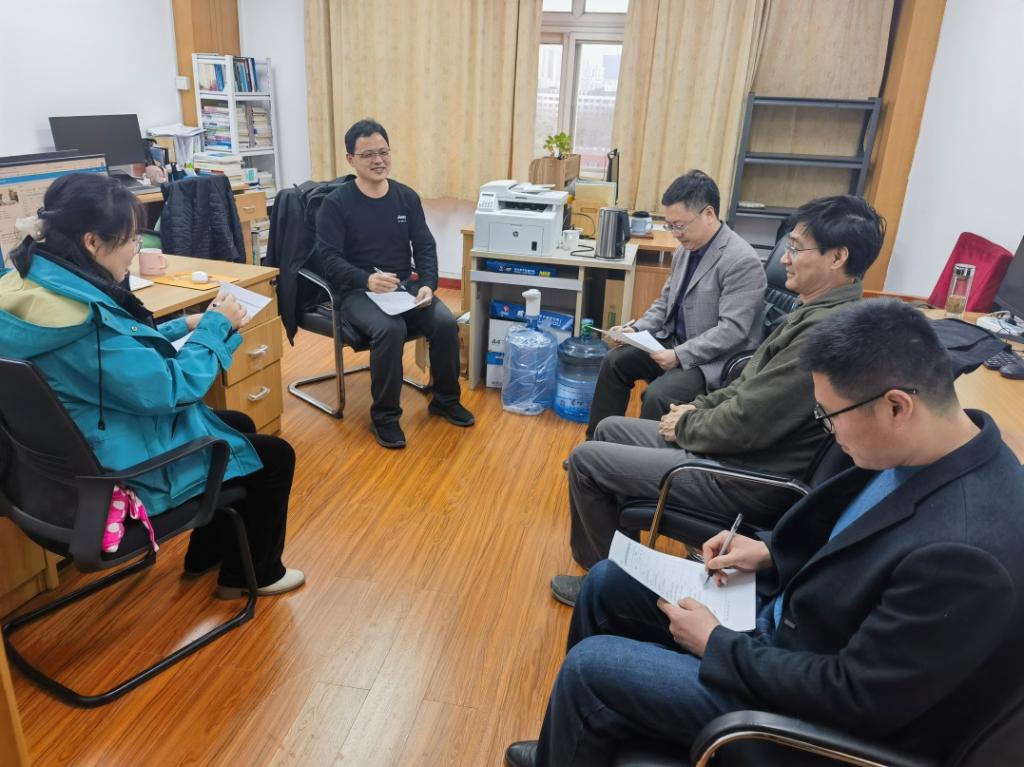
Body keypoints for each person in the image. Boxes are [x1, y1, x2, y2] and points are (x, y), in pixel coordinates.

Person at [505, 299, 1024, 767]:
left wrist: (716, 645)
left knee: (589, 670)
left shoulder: (965, 552)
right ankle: (577, 741)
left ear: (896, 406)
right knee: (606, 583)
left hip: (801, 709)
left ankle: (588, 718)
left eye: (830, 415)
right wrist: (769, 552)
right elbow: (850, 540)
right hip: (785, 624)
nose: (829, 429)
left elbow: (856, 698)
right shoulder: (920, 448)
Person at [551, 195, 884, 606]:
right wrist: (697, 409)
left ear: (837, 257)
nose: (785, 258)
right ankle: (625, 568)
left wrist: (687, 424)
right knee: (607, 429)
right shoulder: (812, 312)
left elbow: (749, 421)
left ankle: (603, 585)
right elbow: (747, 386)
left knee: (587, 460)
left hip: (745, 475)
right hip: (738, 452)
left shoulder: (822, 334)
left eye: (796, 249)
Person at [0, 173, 304, 599]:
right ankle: (254, 574)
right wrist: (216, 327)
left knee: (235, 424)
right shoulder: (86, 323)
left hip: (55, 476)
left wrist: (188, 324)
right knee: (273, 456)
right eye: (131, 239)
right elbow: (173, 389)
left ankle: (206, 554)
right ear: (92, 241)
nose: (136, 250)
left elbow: (120, 348)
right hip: (119, 477)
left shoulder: (34, 291)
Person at [314, 118, 473, 449]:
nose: (378, 160)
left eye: (383, 152)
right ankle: (385, 417)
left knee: (445, 322)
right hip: (357, 292)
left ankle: (445, 400)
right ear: (350, 159)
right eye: (368, 154)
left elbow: (424, 245)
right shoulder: (336, 204)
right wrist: (366, 279)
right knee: (391, 329)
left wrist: (428, 283)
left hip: (401, 288)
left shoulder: (405, 197)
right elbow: (328, 260)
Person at [585, 170, 764, 438]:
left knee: (658, 395)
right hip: (675, 341)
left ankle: (643, 460)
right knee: (614, 361)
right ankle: (596, 444)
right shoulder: (684, 250)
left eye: (679, 225)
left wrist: (679, 355)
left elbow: (733, 330)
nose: (675, 234)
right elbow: (665, 302)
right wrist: (636, 330)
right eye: (670, 226)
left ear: (708, 214)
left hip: (712, 360)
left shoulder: (741, 261)